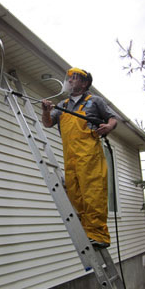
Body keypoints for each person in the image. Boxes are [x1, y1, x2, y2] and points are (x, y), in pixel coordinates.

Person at [42, 68, 117, 248]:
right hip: (71, 157)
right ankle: (88, 232)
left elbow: (113, 118)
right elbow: (47, 122)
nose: (70, 80)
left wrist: (108, 127)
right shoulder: (63, 105)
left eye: (74, 77)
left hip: (90, 154)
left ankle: (99, 235)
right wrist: (45, 110)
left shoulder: (94, 101)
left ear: (84, 83)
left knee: (93, 194)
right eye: (70, 77)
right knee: (76, 196)